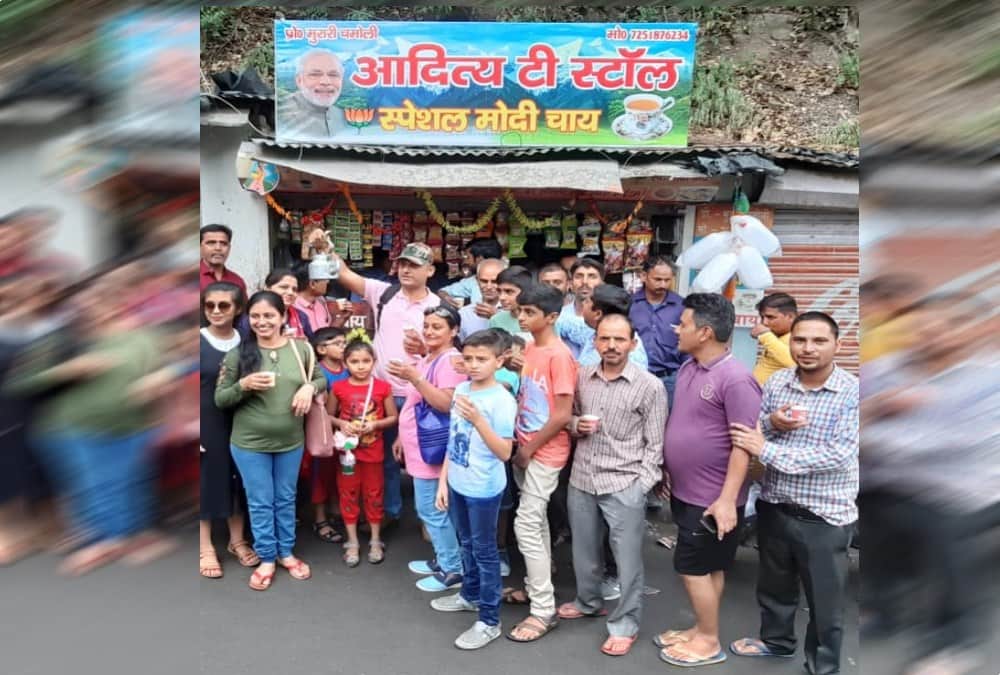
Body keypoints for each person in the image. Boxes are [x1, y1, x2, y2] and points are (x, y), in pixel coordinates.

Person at [860, 293, 998, 675]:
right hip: (886, 483)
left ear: (974, 329)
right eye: (922, 326)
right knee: (875, 536)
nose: (931, 334)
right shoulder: (887, 367)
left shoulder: (990, 379)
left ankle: (957, 639)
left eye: (947, 325)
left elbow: (960, 441)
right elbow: (853, 415)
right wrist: (876, 411)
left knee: (951, 545)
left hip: (959, 491)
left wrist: (878, 433)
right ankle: (885, 612)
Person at [727, 312, 859, 675]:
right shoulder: (779, 382)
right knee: (775, 586)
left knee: (825, 603)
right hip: (776, 503)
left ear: (838, 345)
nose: (807, 348)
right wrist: (772, 424)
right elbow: (759, 429)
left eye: (819, 341)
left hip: (824, 515)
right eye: (800, 340)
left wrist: (764, 448)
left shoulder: (854, 392)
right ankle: (776, 642)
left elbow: (838, 454)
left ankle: (823, 667)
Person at [656, 293, 763, 667]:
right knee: (710, 568)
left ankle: (708, 641)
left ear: (703, 332)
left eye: (682, 324)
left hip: (712, 497)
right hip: (686, 489)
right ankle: (702, 628)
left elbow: (744, 446)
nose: (676, 329)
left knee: (692, 567)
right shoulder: (689, 367)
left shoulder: (736, 380)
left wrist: (726, 499)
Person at [557, 314, 667, 657]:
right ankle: (588, 601)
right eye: (604, 339)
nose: (611, 346)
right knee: (584, 551)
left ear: (633, 343)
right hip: (583, 477)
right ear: (595, 342)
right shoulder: (582, 378)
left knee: (628, 560)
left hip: (624, 481)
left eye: (619, 339)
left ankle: (625, 625)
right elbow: (569, 417)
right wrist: (577, 425)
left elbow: (656, 444)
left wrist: (642, 485)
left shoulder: (650, 386)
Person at [214, 291, 326, 591]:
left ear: (282, 317)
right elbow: (220, 398)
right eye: (255, 316)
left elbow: (320, 377)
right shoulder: (238, 355)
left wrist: (308, 389)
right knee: (261, 502)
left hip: (291, 440)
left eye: (268, 315)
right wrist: (243, 385)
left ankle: (286, 553)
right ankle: (266, 557)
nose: (262, 321)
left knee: (286, 498)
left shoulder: (300, 349)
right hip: (249, 443)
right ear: (248, 320)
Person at [330, 242, 440, 531]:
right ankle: (389, 512)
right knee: (382, 460)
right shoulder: (384, 292)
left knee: (424, 460)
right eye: (403, 263)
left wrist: (424, 350)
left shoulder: (439, 307)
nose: (406, 269)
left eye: (414, 265)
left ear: (430, 270)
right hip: (381, 394)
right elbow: (343, 273)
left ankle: (427, 519)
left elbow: (445, 355)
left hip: (420, 395)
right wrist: (326, 247)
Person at [430, 329, 518, 650]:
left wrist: (480, 420)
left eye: (482, 359)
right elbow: (455, 440)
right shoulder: (462, 389)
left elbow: (505, 453)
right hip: (458, 483)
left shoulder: (502, 400)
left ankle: (490, 620)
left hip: (484, 488)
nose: (474, 365)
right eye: (468, 358)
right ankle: (469, 594)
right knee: (465, 542)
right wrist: (443, 480)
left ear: (500, 360)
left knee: (484, 551)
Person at [507, 284, 578, 643]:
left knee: (526, 525)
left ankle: (543, 609)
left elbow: (562, 415)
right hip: (527, 446)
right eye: (520, 310)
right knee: (535, 525)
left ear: (551, 317)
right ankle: (537, 589)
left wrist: (529, 449)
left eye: (529, 312)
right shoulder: (532, 348)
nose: (521, 317)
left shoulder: (558, 355)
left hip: (544, 452)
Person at [387, 304, 467, 592]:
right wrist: (400, 437)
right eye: (428, 326)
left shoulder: (450, 361)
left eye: (437, 327)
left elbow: (446, 403)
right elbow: (413, 403)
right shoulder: (431, 356)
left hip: (432, 448)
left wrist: (414, 377)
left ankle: (452, 569)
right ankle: (445, 559)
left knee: (431, 509)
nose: (430, 331)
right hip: (417, 445)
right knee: (435, 508)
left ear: (454, 331)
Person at [198, 282, 259, 578]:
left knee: (239, 480)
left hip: (242, 420)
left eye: (224, 305)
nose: (216, 311)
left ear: (237, 309)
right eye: (210, 305)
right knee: (206, 481)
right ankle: (205, 547)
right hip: (206, 422)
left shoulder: (247, 340)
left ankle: (237, 540)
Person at [328, 338, 398, 566]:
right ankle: (352, 541)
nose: (361, 366)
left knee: (374, 493)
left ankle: (376, 539)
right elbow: (328, 415)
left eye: (366, 361)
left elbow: (392, 417)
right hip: (347, 454)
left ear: (374, 362)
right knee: (347, 493)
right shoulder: (338, 388)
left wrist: (375, 425)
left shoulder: (382, 387)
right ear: (345, 363)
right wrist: (342, 424)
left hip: (373, 452)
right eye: (354, 361)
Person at [308, 327, 350, 545]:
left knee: (340, 472)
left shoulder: (349, 368)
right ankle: (320, 519)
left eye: (344, 343)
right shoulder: (318, 373)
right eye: (338, 343)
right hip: (323, 432)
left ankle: (337, 511)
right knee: (321, 476)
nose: (344, 347)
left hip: (346, 433)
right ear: (322, 349)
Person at [629, 255, 685, 406]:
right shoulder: (629, 304)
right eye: (658, 279)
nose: (663, 285)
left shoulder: (681, 306)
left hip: (669, 380)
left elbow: (688, 345)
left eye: (667, 280)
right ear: (643, 276)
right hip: (634, 378)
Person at [570, 283, 649, 368]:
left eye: (586, 302)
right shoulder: (591, 331)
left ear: (597, 314)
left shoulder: (630, 356)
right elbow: (567, 325)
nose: (583, 304)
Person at [277, 48, 346, 139]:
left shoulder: (341, 115)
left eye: (333, 75)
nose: (325, 82)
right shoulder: (281, 113)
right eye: (315, 74)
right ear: (299, 80)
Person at [238, 269, 314, 341]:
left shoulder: (301, 316)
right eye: (284, 287)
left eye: (294, 289)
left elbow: (312, 342)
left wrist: (305, 344)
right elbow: (244, 347)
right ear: (267, 289)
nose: (290, 293)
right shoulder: (252, 317)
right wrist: (278, 342)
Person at [557, 258, 604, 358]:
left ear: (602, 283)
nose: (585, 282)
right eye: (579, 276)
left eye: (592, 277)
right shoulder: (558, 316)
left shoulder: (609, 317)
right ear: (570, 284)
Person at [439, 238, 504, 307]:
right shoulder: (472, 281)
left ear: (479, 259)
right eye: (483, 281)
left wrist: (495, 314)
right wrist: (447, 298)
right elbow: (442, 291)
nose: (466, 262)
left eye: (468, 258)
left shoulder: (511, 280)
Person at [751, 292, 798, 386]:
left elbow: (795, 363)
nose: (764, 322)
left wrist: (765, 335)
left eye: (770, 317)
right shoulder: (776, 337)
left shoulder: (800, 337)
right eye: (762, 317)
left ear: (790, 317)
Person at [459, 258, 504, 340]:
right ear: (476, 280)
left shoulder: (515, 312)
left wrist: (498, 318)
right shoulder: (464, 314)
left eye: (494, 281)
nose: (489, 287)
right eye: (484, 281)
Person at [199, 224, 247, 294]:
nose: (218, 248)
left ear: (229, 248)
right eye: (211, 243)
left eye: (223, 243)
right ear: (200, 247)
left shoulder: (237, 281)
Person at [488, 265, 532, 336]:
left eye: (509, 291)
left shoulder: (544, 320)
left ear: (526, 291)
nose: (501, 297)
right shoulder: (495, 320)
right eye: (499, 291)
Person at [294, 264, 334, 331]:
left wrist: (341, 319)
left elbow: (326, 335)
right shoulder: (293, 307)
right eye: (325, 279)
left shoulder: (321, 302)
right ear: (312, 284)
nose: (328, 281)